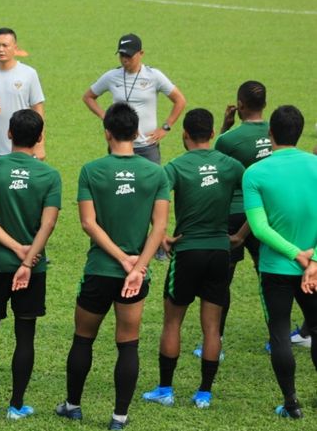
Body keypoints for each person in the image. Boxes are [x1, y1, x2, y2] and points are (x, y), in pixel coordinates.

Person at [55, 103, 169, 430]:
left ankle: (73, 405)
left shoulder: (91, 170)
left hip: (99, 271)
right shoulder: (156, 173)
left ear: (106, 131)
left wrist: (120, 259)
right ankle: (119, 417)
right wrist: (137, 267)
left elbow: (88, 224)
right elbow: (159, 228)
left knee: (83, 338)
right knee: (128, 342)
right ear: (136, 133)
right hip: (135, 274)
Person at [141, 109, 244, 409]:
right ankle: (204, 394)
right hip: (219, 253)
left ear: (185, 135)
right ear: (212, 134)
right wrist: (239, 236)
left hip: (186, 252)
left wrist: (160, 236)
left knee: (172, 322)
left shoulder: (174, 167)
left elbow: (152, 199)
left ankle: (165, 390)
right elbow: (256, 197)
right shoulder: (231, 165)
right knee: (211, 328)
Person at [0, 109, 61, 419]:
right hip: (33, 267)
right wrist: (29, 255)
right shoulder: (49, 176)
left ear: (9, 134)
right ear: (40, 138)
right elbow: (48, 225)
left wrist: (13, 248)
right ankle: (17, 405)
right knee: (25, 334)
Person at [242, 105, 317, 419]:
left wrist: (295, 255)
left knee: (280, 332)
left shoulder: (255, 173)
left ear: (270, 133)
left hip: (276, 268)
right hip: (314, 270)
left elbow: (259, 229)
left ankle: (292, 404)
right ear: (299, 133)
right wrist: (311, 259)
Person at [194, 81, 273, 357]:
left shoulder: (229, 140)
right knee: (268, 276)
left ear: (239, 106)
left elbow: (215, 165)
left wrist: (224, 129)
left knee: (221, 281)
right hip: (267, 215)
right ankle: (277, 338)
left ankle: (216, 340)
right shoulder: (277, 133)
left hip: (235, 213)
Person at [82, 33, 186, 164]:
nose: (125, 59)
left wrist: (165, 127)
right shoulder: (111, 76)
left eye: (129, 56)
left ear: (141, 53)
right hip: (118, 145)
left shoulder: (154, 76)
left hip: (147, 147)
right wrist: (106, 117)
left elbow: (180, 100)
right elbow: (88, 97)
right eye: (122, 55)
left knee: (151, 183)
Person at [0, 28, 46, 161]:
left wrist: (40, 145)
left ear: (15, 48)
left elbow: (38, 110)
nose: (0, 49)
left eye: (5, 45)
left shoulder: (29, 74)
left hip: (24, 147)